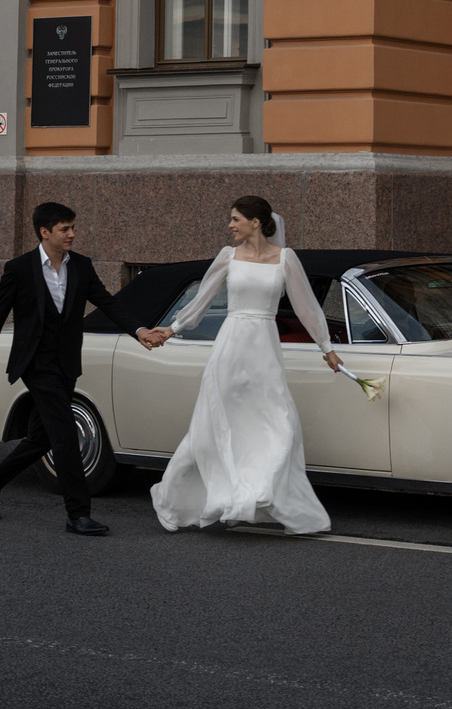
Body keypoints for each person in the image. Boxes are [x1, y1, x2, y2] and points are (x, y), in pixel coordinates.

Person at [144, 195, 345, 536]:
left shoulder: (286, 259)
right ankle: (180, 497)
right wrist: (171, 328)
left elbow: (306, 307)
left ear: (255, 222)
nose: (230, 225)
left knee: (276, 421)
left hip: (265, 348)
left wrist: (326, 348)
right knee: (213, 424)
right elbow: (201, 299)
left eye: (236, 218)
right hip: (231, 346)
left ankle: (262, 494)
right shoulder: (228, 256)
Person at [0, 201, 170, 536]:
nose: (72, 234)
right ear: (45, 232)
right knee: (64, 436)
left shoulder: (81, 267)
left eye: (73, 227)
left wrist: (139, 331)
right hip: (36, 363)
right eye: (65, 229)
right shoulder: (19, 268)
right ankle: (78, 513)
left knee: (43, 436)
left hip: (66, 363)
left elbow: (108, 302)